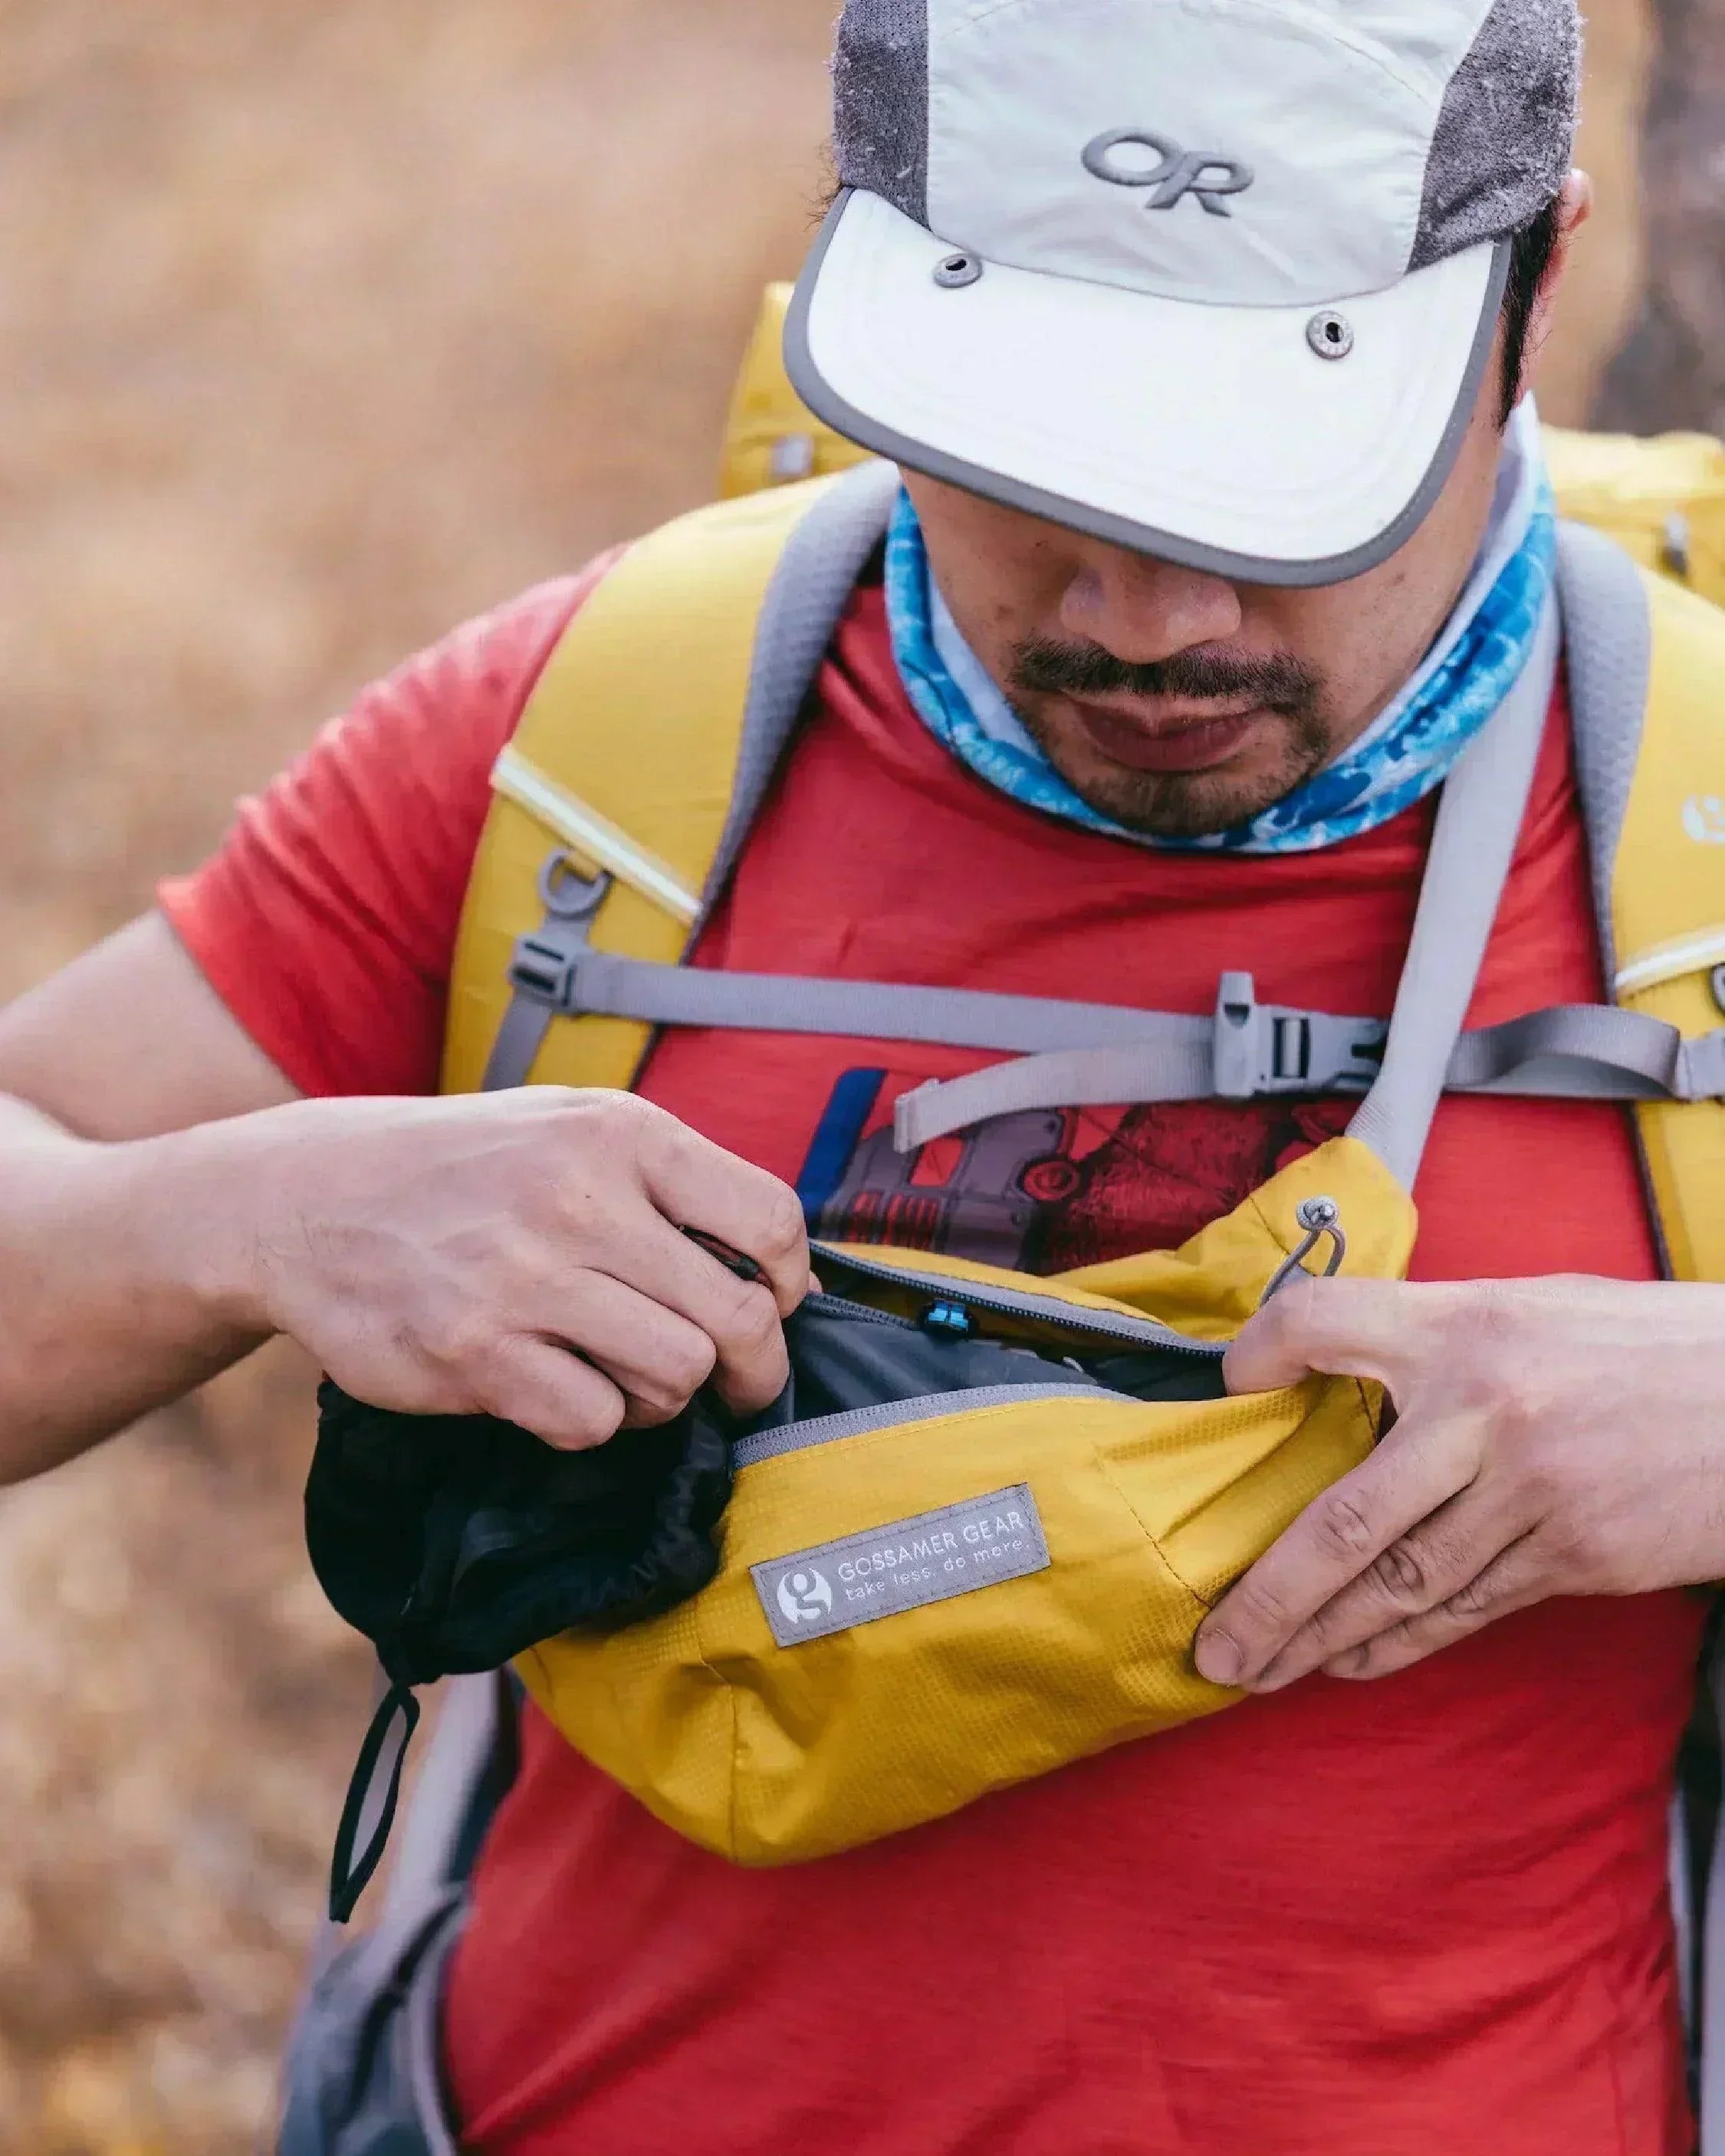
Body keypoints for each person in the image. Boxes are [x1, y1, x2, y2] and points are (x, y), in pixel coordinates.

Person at [2, 0, 1722, 2148]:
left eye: (1277, 500)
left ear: (1532, 283)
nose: (1150, 614)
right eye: (1033, 477)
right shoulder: (605, 738)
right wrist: (242, 1213)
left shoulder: (1695, 824)